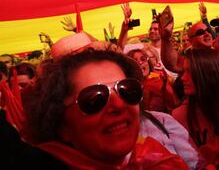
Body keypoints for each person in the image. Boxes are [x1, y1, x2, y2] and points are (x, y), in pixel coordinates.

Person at [1, 49, 188, 169]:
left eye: (127, 91)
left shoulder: (158, 160)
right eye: (94, 99)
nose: (118, 105)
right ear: (62, 125)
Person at [127, 48, 178, 113]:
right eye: (135, 61)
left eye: (143, 59)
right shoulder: (127, 89)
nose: (140, 62)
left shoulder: (160, 80)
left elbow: (175, 104)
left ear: (148, 63)